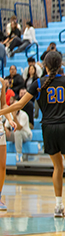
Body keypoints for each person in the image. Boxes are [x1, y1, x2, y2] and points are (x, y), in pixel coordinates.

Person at [0, 51, 65, 218]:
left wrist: (1, 111)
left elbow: (19, 104)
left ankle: (58, 206)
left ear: (45, 66)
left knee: (57, 167)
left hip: (48, 128)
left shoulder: (39, 83)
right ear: (60, 65)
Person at [4, 97, 32, 163]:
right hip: (15, 135)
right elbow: (5, 126)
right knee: (2, 134)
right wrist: (7, 130)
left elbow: (19, 128)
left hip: (26, 135)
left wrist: (14, 117)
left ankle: (19, 154)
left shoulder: (24, 115)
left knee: (17, 133)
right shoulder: (10, 115)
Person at [0, 78, 11, 211]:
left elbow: (3, 104)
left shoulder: (1, 82)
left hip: (0, 126)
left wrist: (9, 119)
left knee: (2, 165)